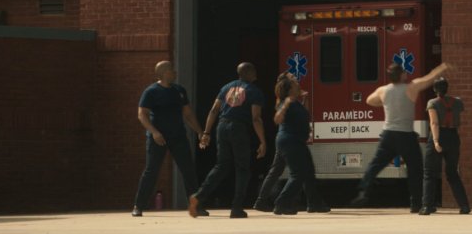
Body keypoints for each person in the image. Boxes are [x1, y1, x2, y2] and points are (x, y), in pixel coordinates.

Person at [350, 62, 454, 213]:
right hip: (406, 136)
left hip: (388, 135)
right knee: (415, 169)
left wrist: (385, 103)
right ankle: (416, 203)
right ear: (401, 75)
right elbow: (430, 78)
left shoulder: (383, 90)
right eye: (404, 72)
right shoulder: (411, 87)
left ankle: (363, 191)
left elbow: (369, 100)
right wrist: (443, 67)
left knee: (376, 164)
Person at [188, 62, 267, 219]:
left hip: (222, 127)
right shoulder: (254, 91)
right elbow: (256, 118)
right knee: (242, 169)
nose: (256, 74)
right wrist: (263, 141)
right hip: (238, 129)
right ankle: (236, 208)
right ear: (248, 73)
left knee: (222, 166)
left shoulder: (226, 88)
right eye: (253, 71)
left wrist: (206, 132)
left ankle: (198, 197)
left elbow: (214, 110)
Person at [132, 61, 207, 217]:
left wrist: (200, 132)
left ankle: (196, 206)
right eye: (172, 70)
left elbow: (188, 114)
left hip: (178, 136)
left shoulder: (179, 90)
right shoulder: (151, 91)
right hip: (158, 138)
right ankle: (138, 206)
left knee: (188, 170)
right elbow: (142, 114)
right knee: (152, 171)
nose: (175, 72)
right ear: (164, 72)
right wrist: (154, 132)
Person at [253, 73, 328, 213]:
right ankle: (282, 203)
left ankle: (314, 203)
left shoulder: (295, 102)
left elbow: (304, 116)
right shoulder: (285, 102)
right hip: (290, 141)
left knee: (308, 172)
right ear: (289, 89)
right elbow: (277, 119)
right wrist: (286, 104)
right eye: (294, 82)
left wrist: (305, 100)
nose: (298, 83)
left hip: (296, 141)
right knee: (298, 174)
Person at [419, 77, 471, 215]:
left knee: (429, 172)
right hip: (453, 137)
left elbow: (434, 123)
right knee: (452, 173)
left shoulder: (432, 103)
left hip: (439, 135)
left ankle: (427, 206)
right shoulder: (458, 102)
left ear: (434, 89)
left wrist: (436, 141)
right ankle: (464, 206)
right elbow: (457, 115)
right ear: (447, 88)